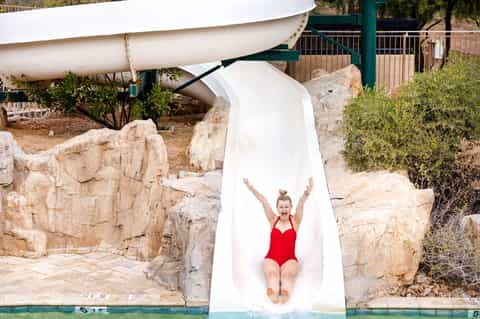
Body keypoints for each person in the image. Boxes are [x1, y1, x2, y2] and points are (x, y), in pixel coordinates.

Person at [243, 177, 314, 304]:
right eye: (281, 207)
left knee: (287, 276)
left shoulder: (295, 221)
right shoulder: (273, 220)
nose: (284, 209)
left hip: (290, 259)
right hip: (271, 258)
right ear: (277, 208)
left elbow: (301, 205)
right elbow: (264, 202)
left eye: (287, 207)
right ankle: (273, 292)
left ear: (290, 207)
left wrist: (306, 193)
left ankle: (286, 293)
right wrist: (251, 188)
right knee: (272, 275)